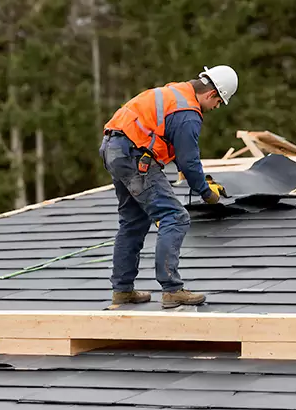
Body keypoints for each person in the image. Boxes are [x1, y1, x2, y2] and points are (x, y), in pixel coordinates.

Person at [99, 65, 237, 309]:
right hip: (134, 156)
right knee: (174, 216)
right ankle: (172, 289)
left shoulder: (175, 92)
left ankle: (122, 290)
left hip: (114, 149)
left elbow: (170, 144)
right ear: (211, 94)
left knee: (133, 222)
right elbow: (189, 159)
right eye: (218, 103)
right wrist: (206, 193)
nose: (215, 108)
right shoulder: (188, 112)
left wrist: (200, 178)